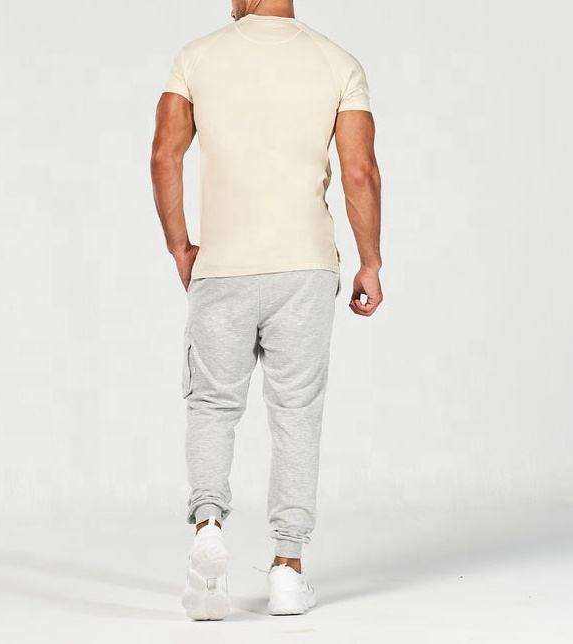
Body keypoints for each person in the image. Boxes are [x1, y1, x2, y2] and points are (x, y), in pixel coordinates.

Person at [151, 0, 382, 620]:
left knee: (212, 405)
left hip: (223, 266)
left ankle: (207, 532)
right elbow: (360, 171)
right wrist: (370, 262)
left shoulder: (197, 58)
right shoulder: (337, 62)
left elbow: (164, 154)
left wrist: (180, 246)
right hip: (305, 269)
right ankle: (287, 569)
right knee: (296, 415)